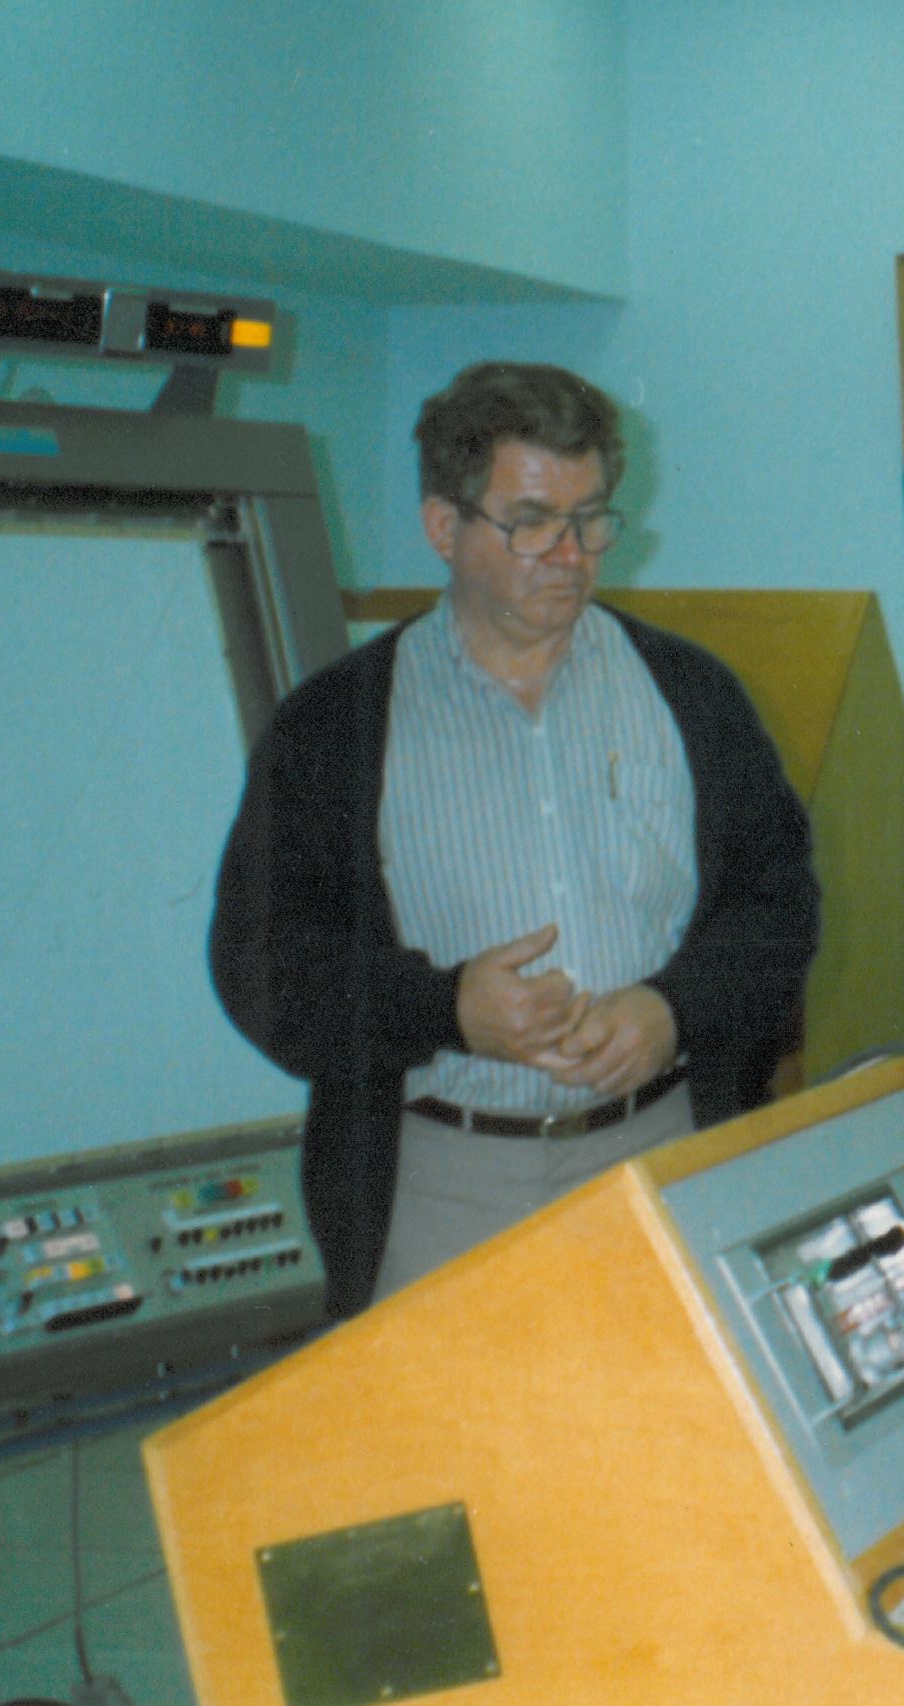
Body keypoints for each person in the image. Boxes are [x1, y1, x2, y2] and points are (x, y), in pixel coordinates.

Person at [211, 362, 818, 1317]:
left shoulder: (692, 696)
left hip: (660, 1156)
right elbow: (265, 970)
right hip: (443, 1184)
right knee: (442, 1464)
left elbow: (780, 909)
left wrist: (671, 1008)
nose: (570, 554)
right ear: (444, 527)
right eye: (531, 521)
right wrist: (448, 1008)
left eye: (591, 519)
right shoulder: (333, 727)